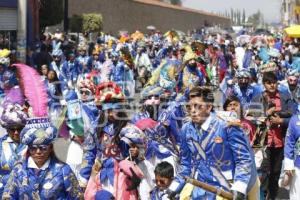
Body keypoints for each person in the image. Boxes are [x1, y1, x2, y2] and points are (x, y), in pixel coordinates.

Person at [169, 86, 259, 199]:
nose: (192, 111)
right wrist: (173, 188)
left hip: (226, 188)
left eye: (197, 106)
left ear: (208, 107)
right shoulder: (186, 129)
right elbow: (185, 164)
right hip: (199, 190)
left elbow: (243, 159)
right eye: (189, 107)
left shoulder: (227, 125)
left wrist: (239, 187)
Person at [2, 117, 83, 199]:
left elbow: (77, 197)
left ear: (51, 148)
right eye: (33, 148)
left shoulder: (63, 170)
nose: (38, 152)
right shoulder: (18, 170)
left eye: (43, 148)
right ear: (28, 149)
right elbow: (7, 197)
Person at [253, 71, 293, 199]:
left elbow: (293, 116)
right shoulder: (257, 98)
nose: (272, 85)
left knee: (276, 172)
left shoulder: (285, 96)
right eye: (269, 83)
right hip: (263, 139)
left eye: (274, 82)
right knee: (264, 172)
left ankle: (273, 196)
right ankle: (262, 196)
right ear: (264, 84)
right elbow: (251, 118)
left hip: (280, 140)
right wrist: (266, 114)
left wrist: (281, 121)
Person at [0, 103, 28, 197]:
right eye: (12, 129)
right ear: (7, 129)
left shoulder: (32, 144)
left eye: (19, 129)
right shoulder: (1, 144)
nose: (16, 133)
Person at [282, 113, 300, 200]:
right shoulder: (295, 120)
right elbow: (289, 142)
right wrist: (288, 164)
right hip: (298, 165)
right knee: (296, 196)